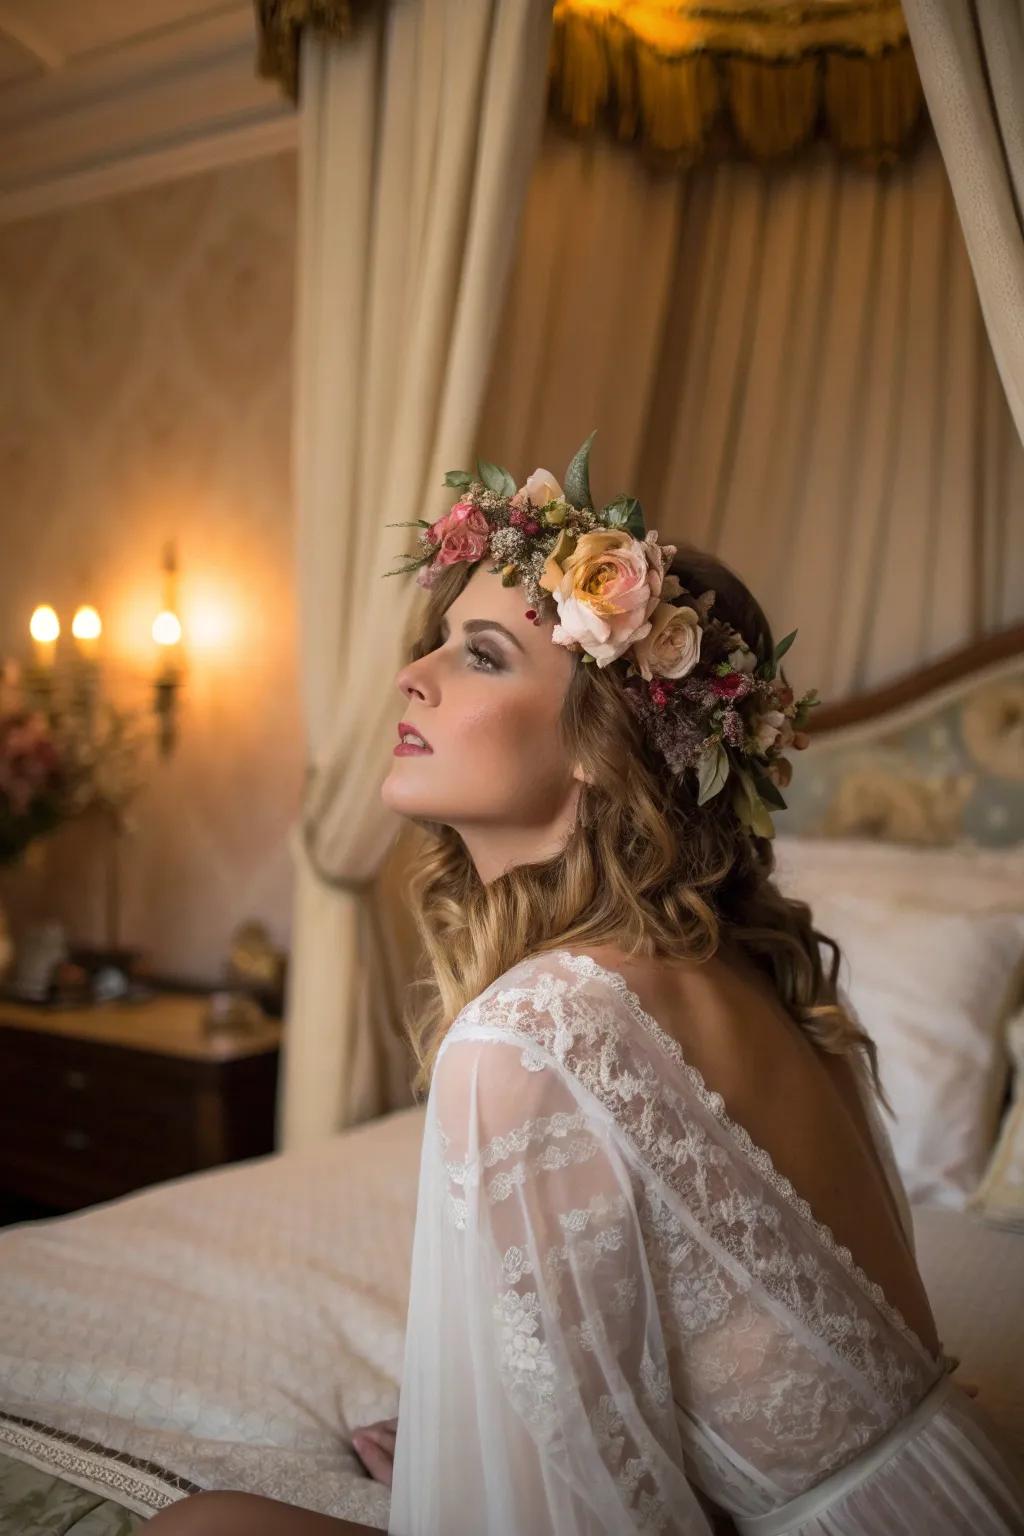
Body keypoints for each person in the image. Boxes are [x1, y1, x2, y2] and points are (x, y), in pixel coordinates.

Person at [148, 435, 1024, 1534]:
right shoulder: (752, 982)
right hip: (951, 1493)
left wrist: (471, 1470)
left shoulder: (535, 1031)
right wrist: (487, 1415)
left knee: (198, 1528)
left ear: (594, 748)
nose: (408, 675)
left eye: (480, 654)